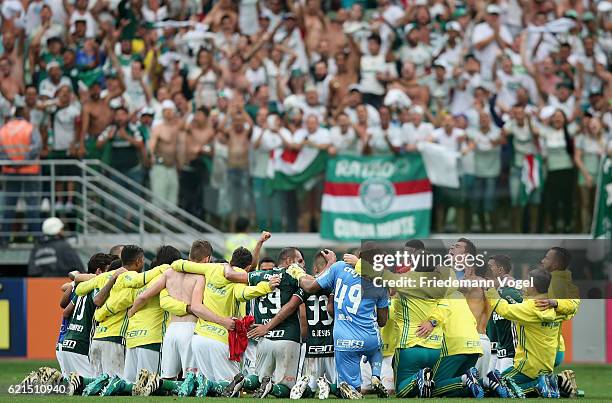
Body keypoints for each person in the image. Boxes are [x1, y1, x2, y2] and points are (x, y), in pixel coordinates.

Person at [287, 246, 390, 399]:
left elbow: (310, 287)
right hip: (369, 337)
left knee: (352, 389)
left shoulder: (339, 268)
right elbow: (382, 321)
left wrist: (298, 273)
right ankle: (376, 375)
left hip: (343, 339)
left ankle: (338, 387)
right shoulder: (380, 283)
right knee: (376, 349)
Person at [291, 249, 338, 399]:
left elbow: (302, 316)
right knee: (340, 386)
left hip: (312, 345)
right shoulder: (336, 285)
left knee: (309, 389)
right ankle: (329, 386)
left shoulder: (305, 286)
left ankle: (306, 385)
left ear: (315, 268)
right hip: (332, 345)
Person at [0, 104, 42, 243]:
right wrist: (23, 161)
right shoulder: (30, 128)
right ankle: (36, 238)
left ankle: (4, 238)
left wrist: (12, 162)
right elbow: (37, 146)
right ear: (24, 114)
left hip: (10, 171)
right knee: (32, 205)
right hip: (29, 171)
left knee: (9, 205)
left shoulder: (4, 129)